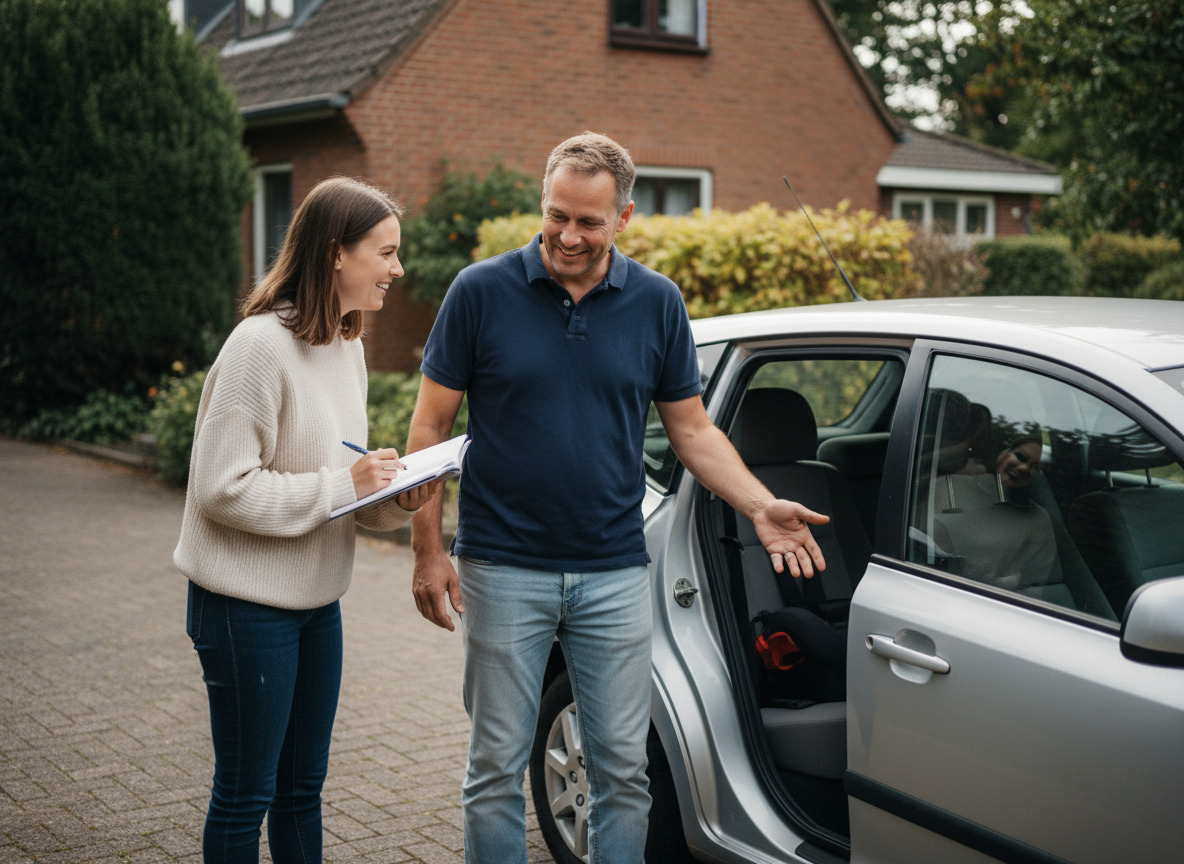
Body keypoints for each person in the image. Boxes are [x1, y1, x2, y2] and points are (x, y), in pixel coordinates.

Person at [405, 132, 829, 864]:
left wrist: (759, 505)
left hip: (613, 570)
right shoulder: (480, 292)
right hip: (502, 567)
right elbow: (430, 426)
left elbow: (692, 429)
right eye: (555, 215)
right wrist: (427, 552)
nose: (568, 235)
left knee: (624, 773)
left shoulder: (657, 304)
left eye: (589, 222)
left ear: (624, 217)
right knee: (496, 769)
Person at [174, 176, 435, 863]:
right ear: (334, 255)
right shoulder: (257, 348)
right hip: (243, 608)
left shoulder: (346, 347)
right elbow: (219, 490)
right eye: (385, 252)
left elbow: (339, 493)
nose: (397, 269)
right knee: (246, 794)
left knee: (302, 790)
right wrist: (342, 484)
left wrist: (391, 500)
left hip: (319, 605)